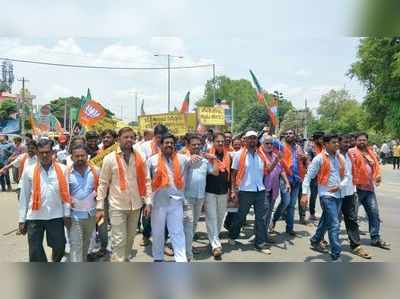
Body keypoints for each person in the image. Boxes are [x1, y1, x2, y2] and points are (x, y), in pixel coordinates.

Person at [97, 127, 151, 262]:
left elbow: (147, 181)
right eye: (126, 137)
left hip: (136, 205)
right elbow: (103, 183)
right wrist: (99, 206)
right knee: (119, 239)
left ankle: (124, 260)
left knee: (130, 238)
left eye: (132, 137)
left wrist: (148, 202)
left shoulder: (140, 157)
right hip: (117, 206)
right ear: (118, 139)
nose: (129, 140)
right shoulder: (109, 159)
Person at [18, 139, 71, 262]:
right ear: (37, 152)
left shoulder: (63, 169)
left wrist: (67, 214)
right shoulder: (29, 170)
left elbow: (67, 194)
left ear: (52, 152)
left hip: (56, 216)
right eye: (41, 152)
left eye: (47, 152)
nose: (45, 155)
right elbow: (24, 196)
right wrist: (21, 219)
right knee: (35, 250)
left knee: (59, 247)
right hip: (34, 217)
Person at [148, 133, 193, 262]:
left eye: (172, 143)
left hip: (176, 201)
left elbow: (188, 176)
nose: (169, 145)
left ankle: (181, 259)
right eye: (166, 143)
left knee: (177, 232)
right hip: (158, 202)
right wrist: (148, 202)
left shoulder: (183, 159)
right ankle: (158, 258)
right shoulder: (152, 160)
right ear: (160, 145)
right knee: (157, 232)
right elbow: (147, 181)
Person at [301, 134, 346, 261]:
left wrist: (340, 186)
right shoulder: (319, 159)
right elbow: (308, 177)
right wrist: (304, 194)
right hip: (326, 195)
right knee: (334, 223)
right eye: (334, 142)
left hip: (339, 195)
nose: (337, 144)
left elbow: (347, 176)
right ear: (326, 144)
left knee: (327, 221)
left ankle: (315, 240)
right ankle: (336, 254)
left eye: (338, 142)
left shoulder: (340, 157)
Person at [229, 130, 271, 254]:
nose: (252, 140)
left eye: (254, 138)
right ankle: (232, 235)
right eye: (250, 138)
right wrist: (233, 190)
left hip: (260, 190)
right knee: (240, 216)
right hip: (245, 191)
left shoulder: (261, 154)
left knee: (261, 218)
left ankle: (260, 243)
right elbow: (233, 174)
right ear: (245, 140)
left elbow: (267, 171)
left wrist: (277, 160)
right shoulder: (239, 155)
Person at [348, 132, 390, 250]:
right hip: (356, 189)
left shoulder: (371, 152)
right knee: (352, 216)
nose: (362, 142)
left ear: (367, 141)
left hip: (369, 189)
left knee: (374, 214)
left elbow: (375, 166)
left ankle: (375, 238)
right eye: (360, 140)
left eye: (364, 140)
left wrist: (377, 176)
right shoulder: (352, 152)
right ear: (356, 141)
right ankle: (354, 240)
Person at [183, 134, 218, 261]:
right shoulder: (183, 159)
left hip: (200, 197)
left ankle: (188, 247)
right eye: (194, 144)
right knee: (188, 224)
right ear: (188, 146)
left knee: (193, 224)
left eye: (198, 144)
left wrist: (213, 159)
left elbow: (215, 172)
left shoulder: (205, 161)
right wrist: (188, 160)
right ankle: (187, 254)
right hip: (186, 197)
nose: (197, 147)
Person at [338, 135, 371, 259]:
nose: (347, 144)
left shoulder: (349, 156)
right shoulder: (333, 156)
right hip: (335, 194)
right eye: (345, 142)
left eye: (349, 142)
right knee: (330, 220)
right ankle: (316, 239)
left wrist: (354, 189)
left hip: (350, 193)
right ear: (338, 143)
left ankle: (356, 245)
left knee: (351, 219)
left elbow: (352, 174)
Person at [272, 129, 308, 237]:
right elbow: (271, 140)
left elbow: (304, 159)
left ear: (295, 135)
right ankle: (273, 220)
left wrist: (305, 157)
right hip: (285, 178)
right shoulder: (281, 145)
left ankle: (290, 228)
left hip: (297, 180)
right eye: (287, 134)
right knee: (285, 202)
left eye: (291, 133)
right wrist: (275, 133)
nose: (289, 135)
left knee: (292, 205)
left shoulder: (298, 147)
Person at [67, 144, 98, 262]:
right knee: (76, 245)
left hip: (91, 215)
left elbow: (101, 189)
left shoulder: (95, 171)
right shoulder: (67, 172)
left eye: (82, 155)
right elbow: (64, 193)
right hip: (74, 216)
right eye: (77, 156)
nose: (80, 158)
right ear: (72, 157)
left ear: (87, 156)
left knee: (86, 243)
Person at [261, 135, 290, 243]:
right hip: (264, 189)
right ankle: (261, 237)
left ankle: (265, 235)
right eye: (267, 143)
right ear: (262, 144)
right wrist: (277, 159)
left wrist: (287, 182)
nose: (269, 145)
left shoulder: (274, 155)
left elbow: (281, 170)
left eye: (271, 144)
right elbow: (268, 169)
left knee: (269, 214)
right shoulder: (260, 155)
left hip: (274, 189)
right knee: (263, 213)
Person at [204, 133, 230, 258]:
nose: (220, 143)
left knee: (220, 217)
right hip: (210, 191)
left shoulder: (228, 155)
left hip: (223, 191)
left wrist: (232, 191)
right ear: (213, 142)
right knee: (211, 218)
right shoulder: (206, 155)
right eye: (218, 141)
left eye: (222, 141)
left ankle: (214, 239)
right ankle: (215, 245)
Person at [305, 131, 324, 222]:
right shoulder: (311, 148)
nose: (323, 140)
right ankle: (312, 213)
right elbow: (308, 161)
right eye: (321, 138)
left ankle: (326, 212)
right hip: (315, 176)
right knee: (314, 195)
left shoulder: (323, 147)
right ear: (316, 139)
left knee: (324, 195)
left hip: (324, 175)